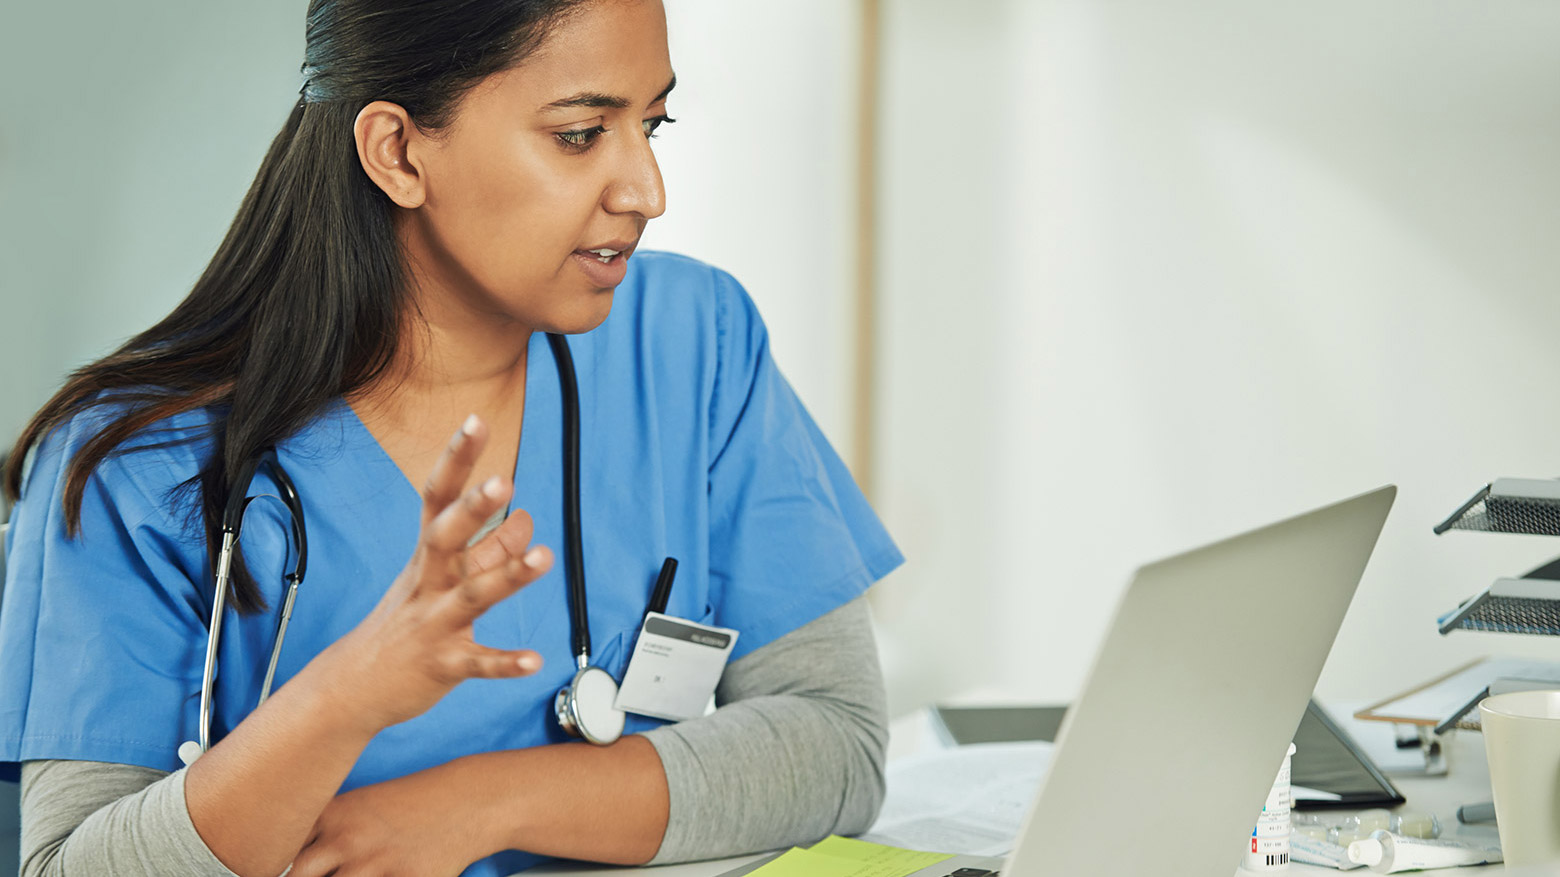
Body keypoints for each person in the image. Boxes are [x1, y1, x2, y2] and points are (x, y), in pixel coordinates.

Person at [0, 1, 902, 875]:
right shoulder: (133, 463)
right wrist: (347, 694)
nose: (647, 192)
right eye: (581, 134)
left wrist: (478, 804)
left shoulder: (693, 343)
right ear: (397, 152)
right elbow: (71, 863)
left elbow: (834, 737)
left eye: (652, 126)